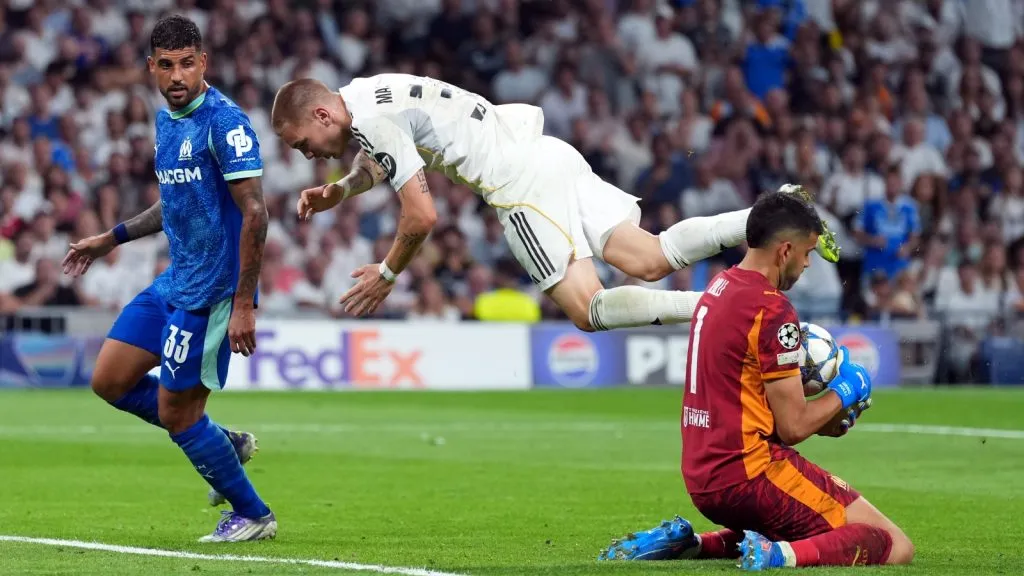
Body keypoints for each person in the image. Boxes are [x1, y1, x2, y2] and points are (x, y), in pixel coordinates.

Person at [268, 75, 839, 332]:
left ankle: (706, 311)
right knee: (650, 258)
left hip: (518, 186)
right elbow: (385, 153)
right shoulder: (365, 94)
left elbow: (423, 216)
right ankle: (768, 210)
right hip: (545, 151)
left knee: (588, 311)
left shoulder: (373, 118)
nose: (308, 156)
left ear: (322, 116)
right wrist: (341, 189)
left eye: (303, 145)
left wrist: (388, 273)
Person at [598, 192, 912, 570]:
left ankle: (693, 544)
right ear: (784, 250)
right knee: (892, 543)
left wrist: (829, 419)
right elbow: (793, 427)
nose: (808, 263)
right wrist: (849, 388)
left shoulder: (719, 287)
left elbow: (754, 405)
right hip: (750, 475)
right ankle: (777, 555)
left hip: (704, 477)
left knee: (802, 519)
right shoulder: (772, 309)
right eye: (807, 253)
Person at [60, 15, 276, 543]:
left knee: (178, 415)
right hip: (174, 281)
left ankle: (253, 514)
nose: (177, 75)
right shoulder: (166, 121)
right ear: (151, 67)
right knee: (109, 380)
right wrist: (110, 237)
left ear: (203, 63)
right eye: (166, 65)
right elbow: (174, 203)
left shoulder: (225, 123)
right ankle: (223, 441)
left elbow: (256, 214)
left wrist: (244, 303)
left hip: (212, 294)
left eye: (186, 63)